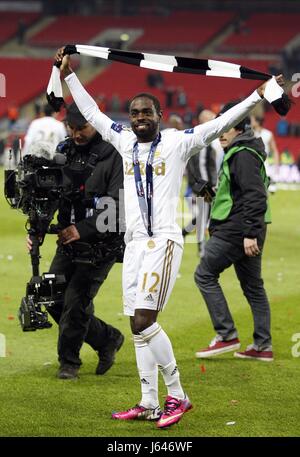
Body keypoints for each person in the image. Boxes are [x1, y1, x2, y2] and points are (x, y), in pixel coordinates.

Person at [55, 46, 283, 427]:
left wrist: (256, 96)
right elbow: (92, 111)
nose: (141, 117)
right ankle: (148, 401)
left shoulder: (178, 142)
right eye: (136, 112)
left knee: (145, 320)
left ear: (160, 117)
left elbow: (221, 121)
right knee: (136, 326)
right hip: (133, 244)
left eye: (148, 112)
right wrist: (68, 75)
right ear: (129, 118)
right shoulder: (124, 140)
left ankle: (177, 395)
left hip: (163, 242)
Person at [27, 102, 125, 379]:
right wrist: (36, 229)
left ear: (95, 123)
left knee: (75, 302)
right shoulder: (64, 150)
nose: (76, 133)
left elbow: (118, 203)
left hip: (102, 244)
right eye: (71, 127)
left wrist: (82, 229)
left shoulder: (114, 154)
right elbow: (51, 195)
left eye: (81, 127)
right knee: (51, 297)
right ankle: (107, 338)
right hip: (67, 240)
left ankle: (68, 363)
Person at [194, 102, 273, 362]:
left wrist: (250, 232)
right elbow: (241, 195)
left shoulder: (242, 153)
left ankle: (226, 334)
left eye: (225, 127)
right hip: (248, 227)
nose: (221, 133)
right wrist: (211, 194)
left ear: (239, 127)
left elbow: (254, 195)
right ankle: (262, 347)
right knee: (253, 287)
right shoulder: (247, 150)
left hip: (238, 229)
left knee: (204, 274)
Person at [183, 110, 218, 256]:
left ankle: (184, 233)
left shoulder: (208, 140)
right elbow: (192, 166)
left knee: (204, 215)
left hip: (208, 184)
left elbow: (211, 165)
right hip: (202, 185)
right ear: (202, 120)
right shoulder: (196, 140)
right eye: (210, 119)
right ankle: (202, 249)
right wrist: (196, 185)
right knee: (205, 216)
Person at [251, 114, 280, 191]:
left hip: (264, 163)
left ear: (257, 122)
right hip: (251, 162)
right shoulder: (250, 134)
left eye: (252, 120)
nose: (251, 122)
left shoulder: (268, 134)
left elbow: (274, 150)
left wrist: (276, 165)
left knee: (263, 189)